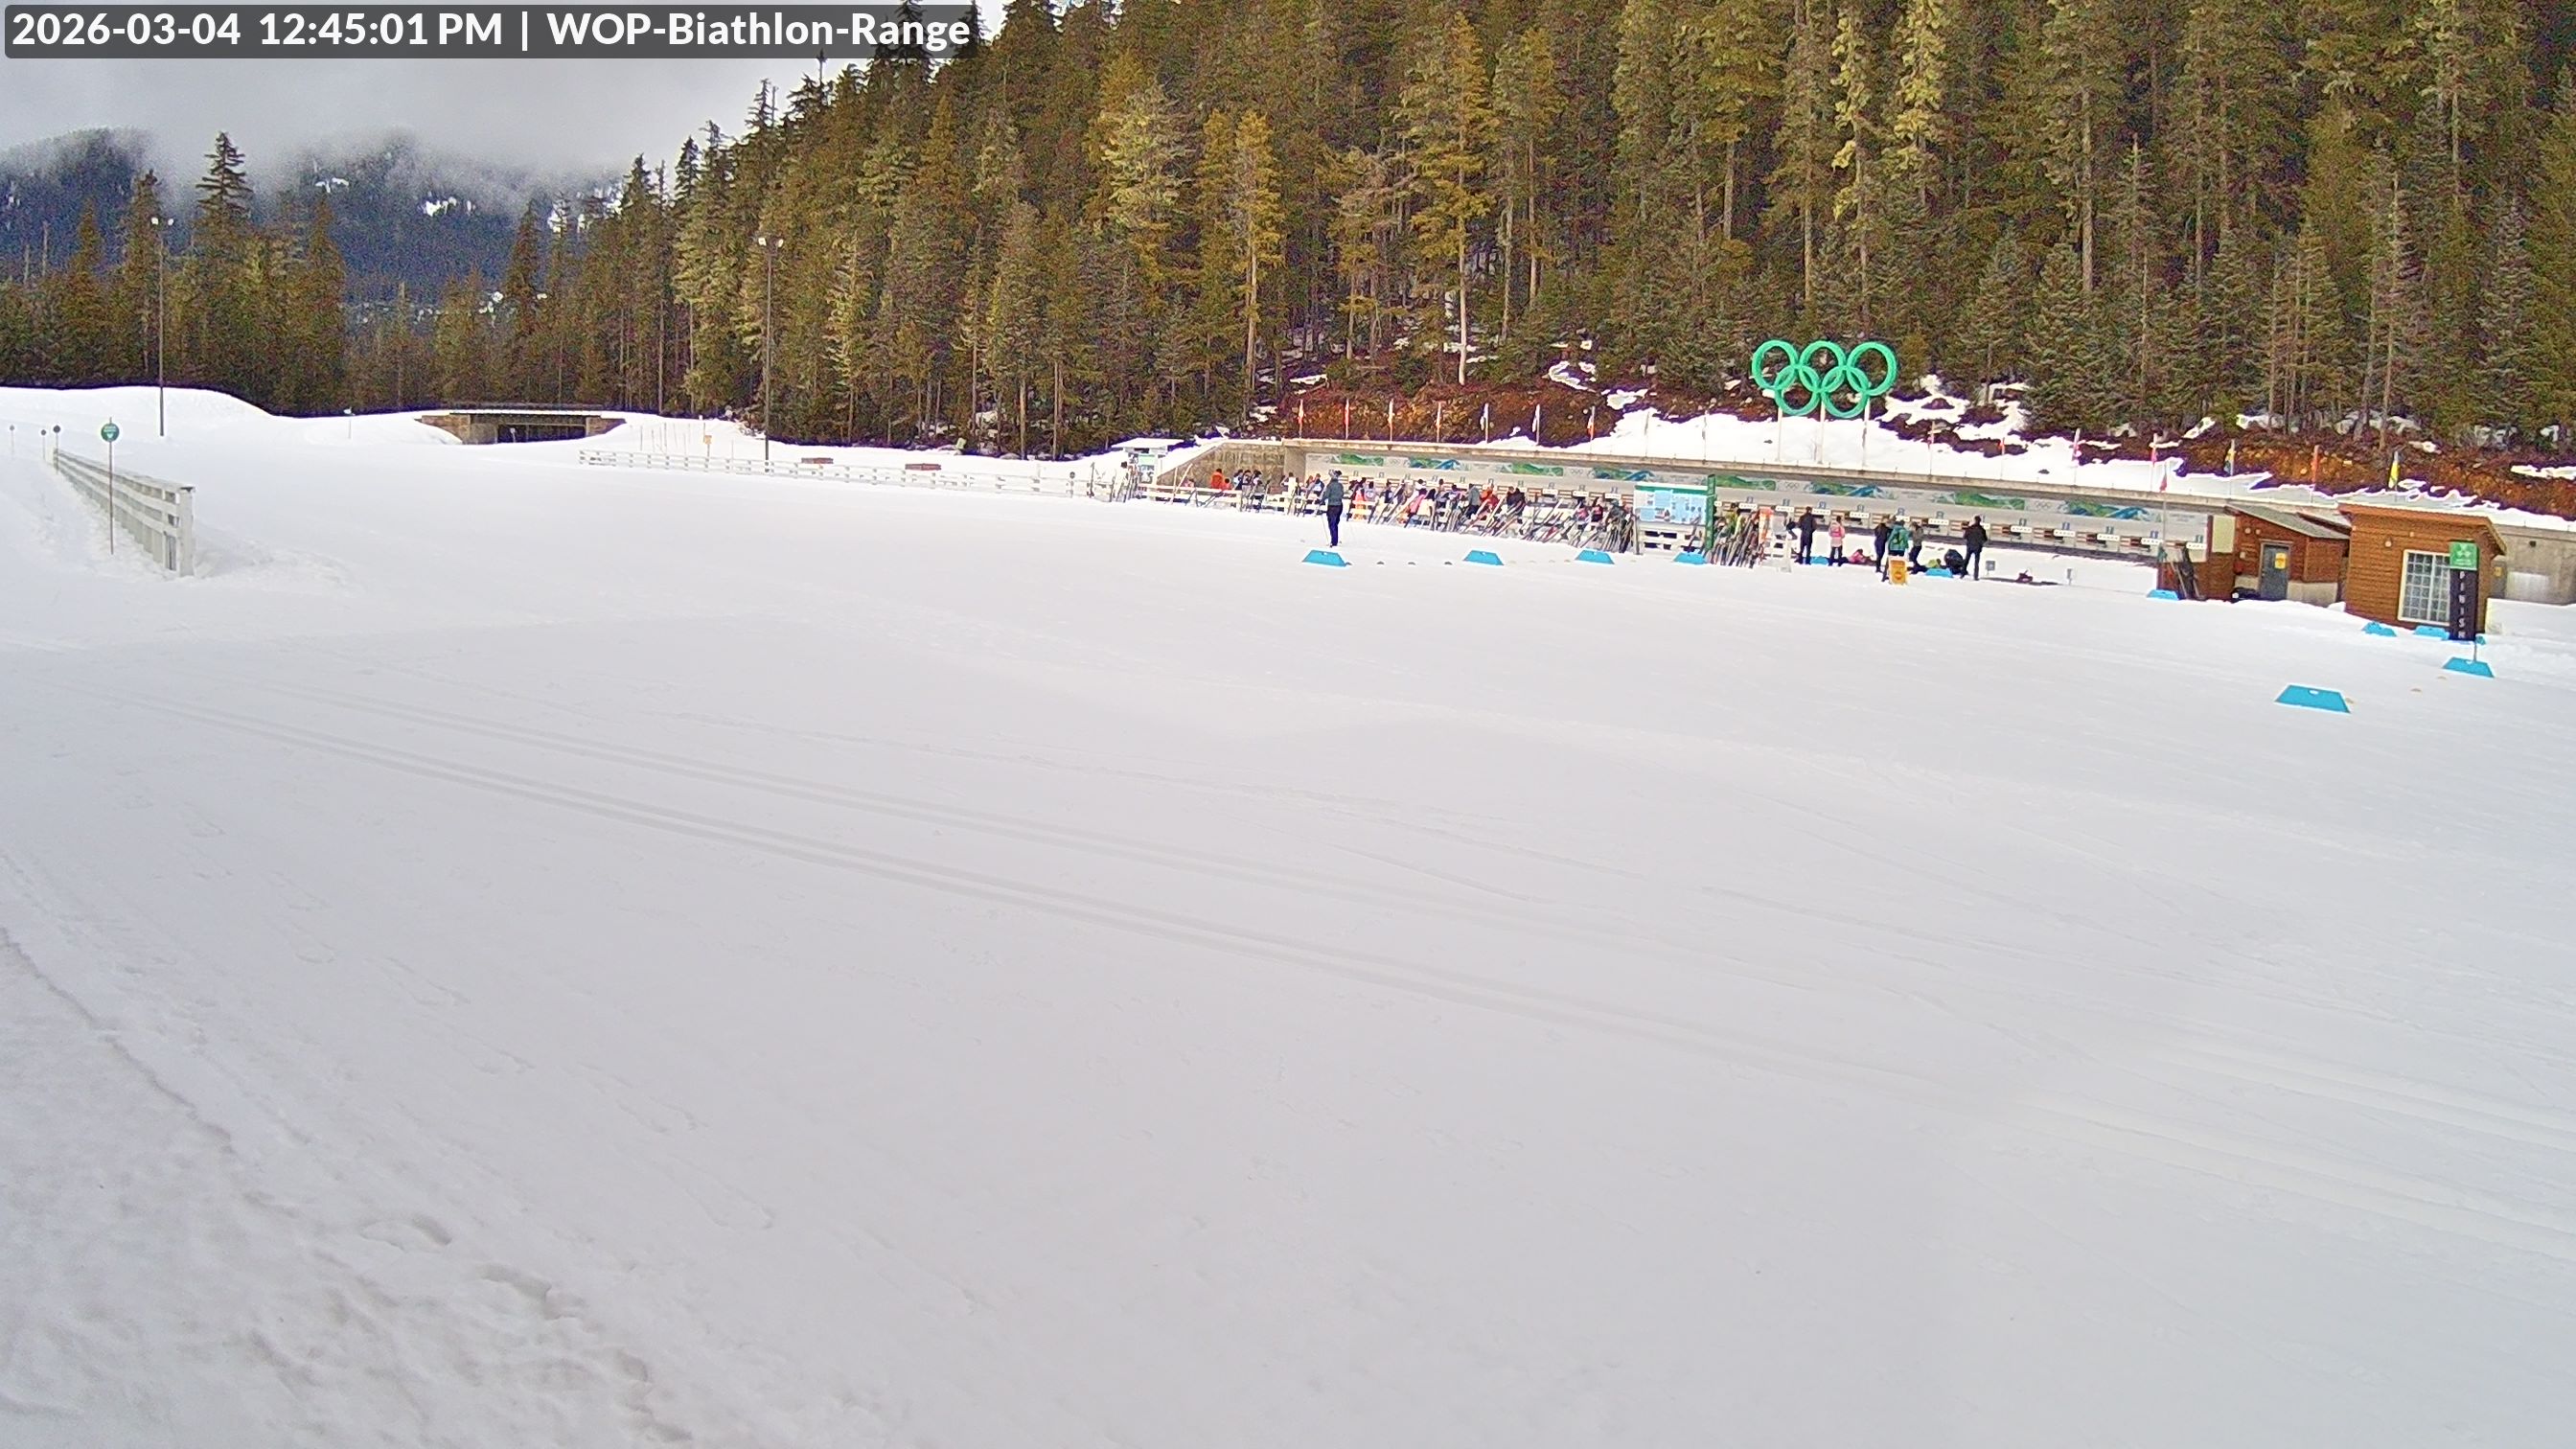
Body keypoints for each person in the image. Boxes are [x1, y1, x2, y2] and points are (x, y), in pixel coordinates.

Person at [1322, 473, 1346, 546]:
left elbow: (1326, 495)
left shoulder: (1330, 486)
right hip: (1339, 505)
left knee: (1331, 523)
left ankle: (1334, 541)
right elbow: (1342, 494)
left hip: (1332, 505)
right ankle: (1335, 539)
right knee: (1335, 523)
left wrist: (1321, 500)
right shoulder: (1340, 485)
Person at [1963, 516, 1989, 580]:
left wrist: (1969, 541)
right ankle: (1975, 576)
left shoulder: (1970, 528)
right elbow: (1985, 539)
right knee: (1976, 562)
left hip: (1970, 546)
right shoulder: (1982, 530)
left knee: (1966, 560)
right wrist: (1980, 543)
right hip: (1977, 547)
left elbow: (1965, 537)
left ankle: (1962, 574)